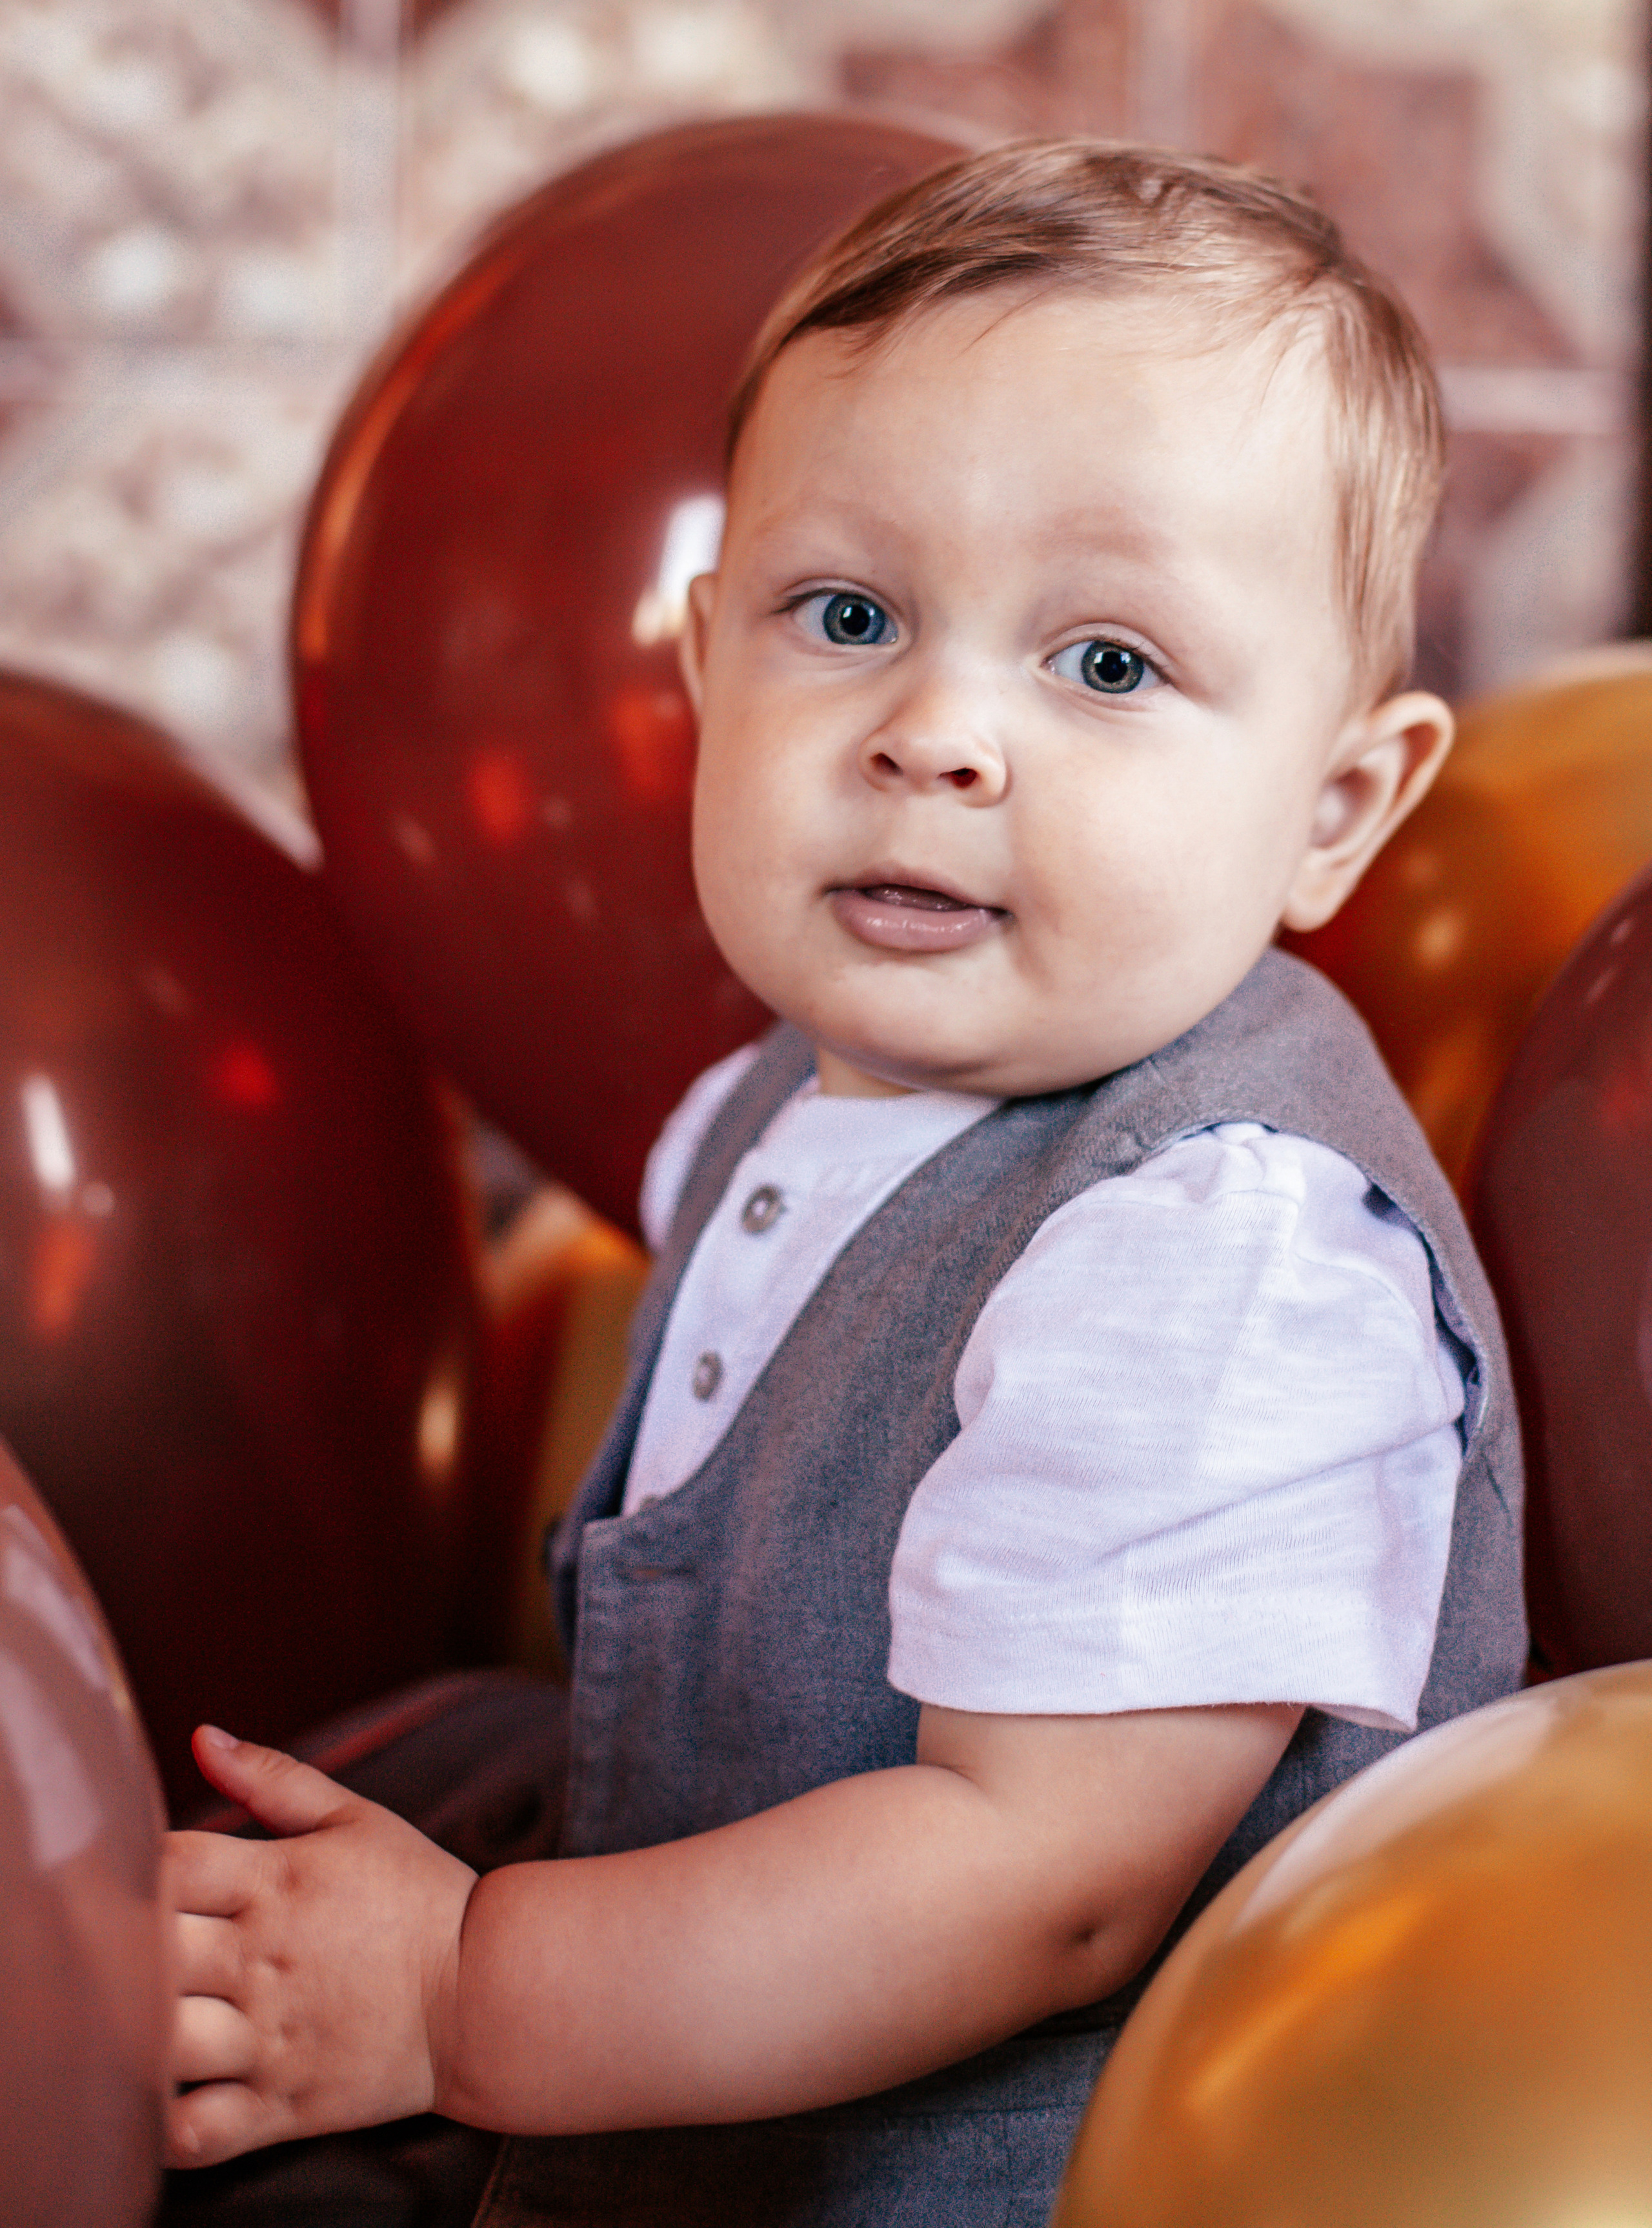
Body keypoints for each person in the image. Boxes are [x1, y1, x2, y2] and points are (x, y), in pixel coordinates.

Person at [163, 141, 1526, 2227]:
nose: (937, 732)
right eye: (850, 614)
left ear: (1335, 810)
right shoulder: (783, 1106)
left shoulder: (1221, 1247)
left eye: (1107, 664)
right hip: (670, 2085)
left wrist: (456, 1992)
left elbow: (1037, 1882)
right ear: (708, 673)